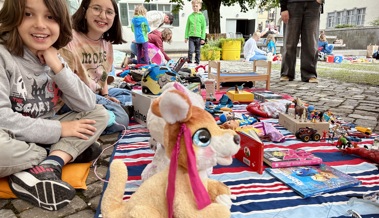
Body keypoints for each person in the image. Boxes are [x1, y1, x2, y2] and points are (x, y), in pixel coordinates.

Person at [0, 0, 108, 211]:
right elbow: (2, 117)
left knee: (99, 114)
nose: (40, 24)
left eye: (50, 17)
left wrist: (57, 66)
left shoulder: (54, 59)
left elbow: (87, 103)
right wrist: (60, 130)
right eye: (28, 14)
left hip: (43, 128)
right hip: (10, 135)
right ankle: (55, 154)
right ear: (13, 18)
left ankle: (52, 164)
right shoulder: (4, 57)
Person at [60, 0, 131, 135]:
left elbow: (104, 74)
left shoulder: (106, 43)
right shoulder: (69, 39)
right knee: (122, 119)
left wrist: (105, 94)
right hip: (76, 98)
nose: (103, 16)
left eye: (109, 12)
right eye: (97, 9)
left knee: (128, 95)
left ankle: (104, 114)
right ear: (84, 11)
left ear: (114, 17)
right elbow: (66, 84)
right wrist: (101, 101)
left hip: (97, 94)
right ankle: (75, 127)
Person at [279, 0, 324, 83]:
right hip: (292, 4)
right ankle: (287, 73)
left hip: (313, 5)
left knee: (311, 42)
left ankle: (310, 74)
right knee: (290, 42)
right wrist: (283, 7)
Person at [184, 0, 206, 65]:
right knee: (190, 51)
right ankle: (189, 62)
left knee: (197, 51)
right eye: (194, 6)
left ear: (200, 7)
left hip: (198, 37)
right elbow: (187, 27)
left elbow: (203, 28)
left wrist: (203, 38)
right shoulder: (190, 16)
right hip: (191, 37)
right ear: (192, 7)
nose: (195, 7)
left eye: (196, 6)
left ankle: (197, 62)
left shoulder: (202, 16)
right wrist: (186, 37)